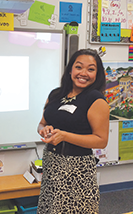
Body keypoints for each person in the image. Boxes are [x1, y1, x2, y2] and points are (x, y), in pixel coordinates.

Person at [36, 48, 109, 213]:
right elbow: (41, 123)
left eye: (91, 69)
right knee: (51, 207)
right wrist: (44, 129)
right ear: (70, 70)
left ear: (97, 74)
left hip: (77, 169)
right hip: (52, 163)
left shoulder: (96, 100)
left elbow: (101, 140)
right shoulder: (55, 94)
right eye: (79, 67)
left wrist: (64, 136)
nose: (83, 73)